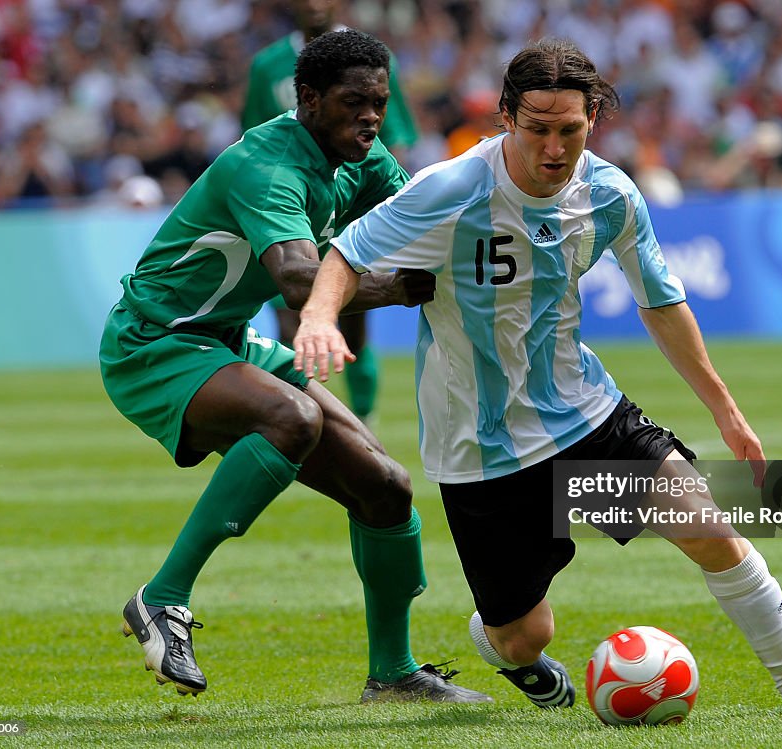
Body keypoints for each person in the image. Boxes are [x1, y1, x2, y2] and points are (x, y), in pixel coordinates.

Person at [292, 38, 782, 717]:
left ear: (593, 117)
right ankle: (501, 643)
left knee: (711, 526)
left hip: (583, 413)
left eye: (571, 129)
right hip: (483, 453)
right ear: (506, 117)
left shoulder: (609, 193)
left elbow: (661, 302)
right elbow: (348, 252)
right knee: (523, 634)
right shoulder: (451, 190)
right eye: (537, 128)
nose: (555, 148)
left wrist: (726, 410)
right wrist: (319, 318)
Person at [100, 29, 490, 705]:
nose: (370, 116)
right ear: (307, 99)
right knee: (292, 416)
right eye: (352, 102)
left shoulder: (358, 158)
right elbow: (296, 278)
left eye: (379, 101)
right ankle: (162, 598)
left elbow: (424, 220)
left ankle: (392, 673)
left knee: (387, 487)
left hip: (225, 339)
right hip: (154, 342)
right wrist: (398, 288)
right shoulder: (269, 166)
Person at [242, 0, 420, 428]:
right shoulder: (268, 65)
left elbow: (391, 137)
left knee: (354, 327)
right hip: (286, 209)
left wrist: (380, 195)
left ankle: (365, 420)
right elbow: (253, 133)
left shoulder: (370, 60)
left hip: (348, 208)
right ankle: (302, 422)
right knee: (290, 320)